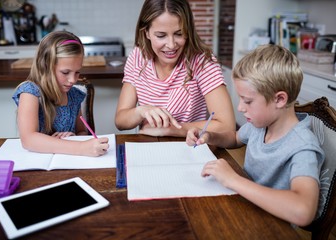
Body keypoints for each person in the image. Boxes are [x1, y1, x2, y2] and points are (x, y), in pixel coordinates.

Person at [186, 44, 325, 226]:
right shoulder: (261, 124)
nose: (240, 108)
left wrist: (233, 179)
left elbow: (303, 211)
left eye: (248, 101)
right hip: (245, 208)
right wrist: (210, 136)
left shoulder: (302, 146)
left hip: (269, 226)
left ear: (279, 99)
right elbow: (235, 138)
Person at [115, 0, 235, 137]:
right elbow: (120, 121)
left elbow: (227, 126)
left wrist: (172, 129)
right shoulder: (138, 57)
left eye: (179, 33)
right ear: (146, 32)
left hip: (191, 148)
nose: (171, 45)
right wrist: (140, 111)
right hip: (149, 148)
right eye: (161, 35)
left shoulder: (202, 62)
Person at [12, 31, 109, 157]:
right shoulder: (30, 92)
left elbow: (81, 131)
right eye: (65, 72)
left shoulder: (74, 95)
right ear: (45, 66)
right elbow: (28, 139)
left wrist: (75, 137)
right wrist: (80, 147)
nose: (73, 80)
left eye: (77, 72)